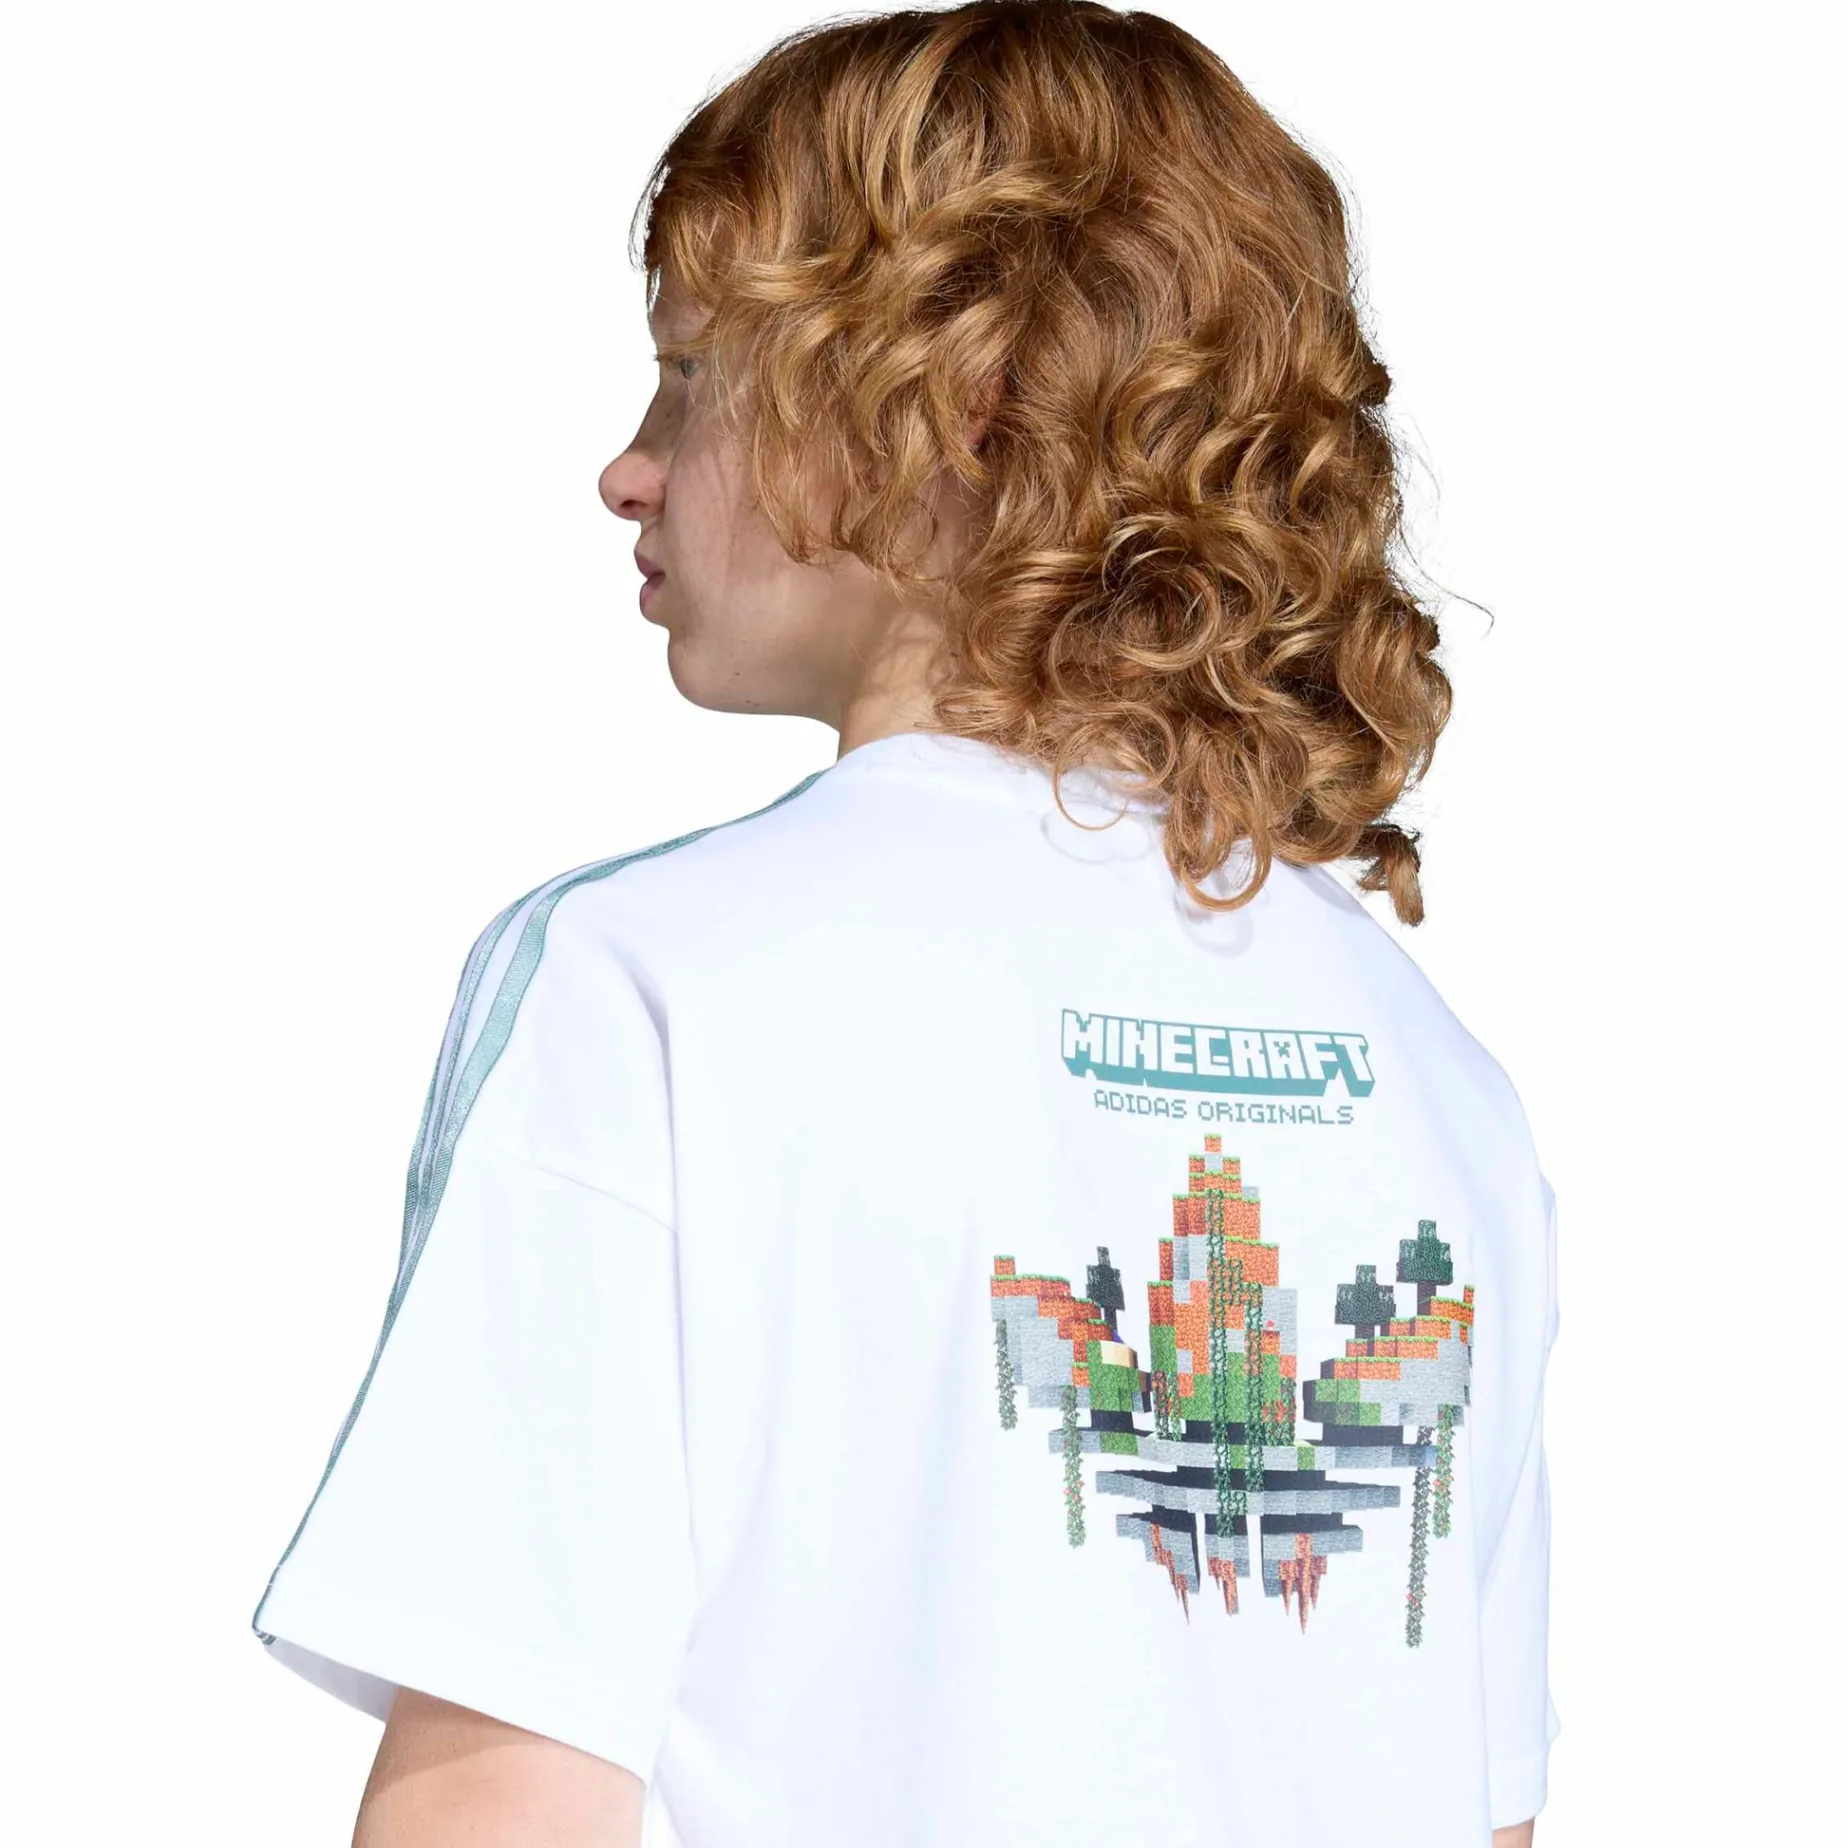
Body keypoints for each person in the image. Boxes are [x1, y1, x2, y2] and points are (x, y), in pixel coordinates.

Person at [249, 4, 1559, 1844]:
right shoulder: (1436, 1081)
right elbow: (1476, 1810)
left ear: (955, 403)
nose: (629, 465)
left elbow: (507, 1798)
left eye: (692, 375)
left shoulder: (656, 988)